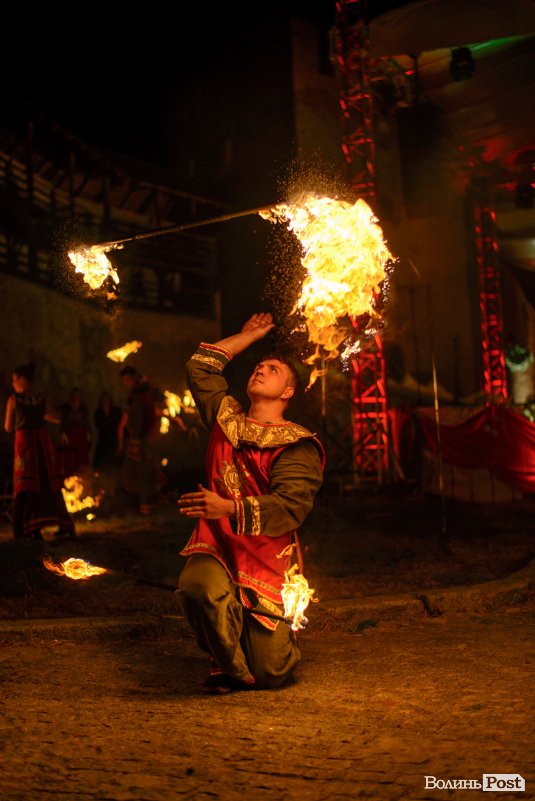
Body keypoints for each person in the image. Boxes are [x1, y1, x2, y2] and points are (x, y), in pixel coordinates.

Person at [177, 312, 324, 694]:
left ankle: (260, 646)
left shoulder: (296, 443)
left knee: (272, 673)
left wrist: (230, 508)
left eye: (272, 369)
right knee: (198, 588)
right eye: (258, 365)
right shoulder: (226, 418)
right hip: (219, 544)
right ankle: (225, 666)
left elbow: (291, 507)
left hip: (267, 559)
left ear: (288, 392)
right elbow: (200, 367)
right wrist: (247, 337)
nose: (260, 369)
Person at [4, 362, 75, 539]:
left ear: (22, 380)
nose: (12, 383)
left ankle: (24, 529)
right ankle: (61, 524)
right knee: (48, 483)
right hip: (42, 444)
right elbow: (51, 415)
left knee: (25, 485)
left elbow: (7, 427)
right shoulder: (40, 398)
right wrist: (63, 419)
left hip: (26, 445)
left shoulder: (14, 400)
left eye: (14, 380)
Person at [117, 366, 165, 515]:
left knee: (143, 472)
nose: (126, 383)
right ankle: (142, 504)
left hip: (141, 439)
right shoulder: (135, 395)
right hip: (137, 438)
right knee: (135, 472)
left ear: (133, 378)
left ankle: (146, 505)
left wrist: (136, 440)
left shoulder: (141, 394)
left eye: (128, 379)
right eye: (123, 380)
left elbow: (141, 417)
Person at [58, 388, 92, 477]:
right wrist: (63, 432)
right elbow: (63, 421)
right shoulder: (66, 408)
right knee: (70, 456)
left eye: (77, 395)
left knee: (82, 456)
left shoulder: (84, 408)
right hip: (70, 434)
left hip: (81, 434)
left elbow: (86, 421)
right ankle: (70, 478)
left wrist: (88, 433)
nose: (76, 397)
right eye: (74, 395)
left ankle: (82, 479)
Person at [93, 392, 122, 471]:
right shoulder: (98, 413)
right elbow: (99, 425)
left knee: (114, 463)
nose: (106, 401)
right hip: (103, 441)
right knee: (101, 463)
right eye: (104, 399)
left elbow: (117, 424)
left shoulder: (116, 411)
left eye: (107, 399)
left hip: (114, 440)